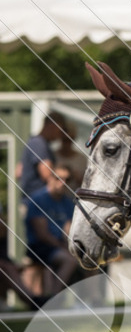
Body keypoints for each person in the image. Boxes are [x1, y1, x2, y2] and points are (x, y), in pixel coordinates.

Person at [25, 165, 78, 295]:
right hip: (40, 247)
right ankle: (53, 299)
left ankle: (91, 300)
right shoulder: (38, 200)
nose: (63, 183)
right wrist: (64, 248)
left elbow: (68, 229)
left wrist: (72, 247)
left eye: (66, 179)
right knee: (69, 260)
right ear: (50, 178)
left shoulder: (67, 202)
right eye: (59, 178)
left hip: (59, 246)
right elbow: (42, 235)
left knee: (88, 259)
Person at [18, 112, 67, 204]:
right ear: (53, 126)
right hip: (37, 204)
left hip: (30, 200)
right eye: (60, 131)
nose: (60, 135)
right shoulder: (39, 143)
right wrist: (64, 173)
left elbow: (18, 172)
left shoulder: (33, 142)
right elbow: (46, 173)